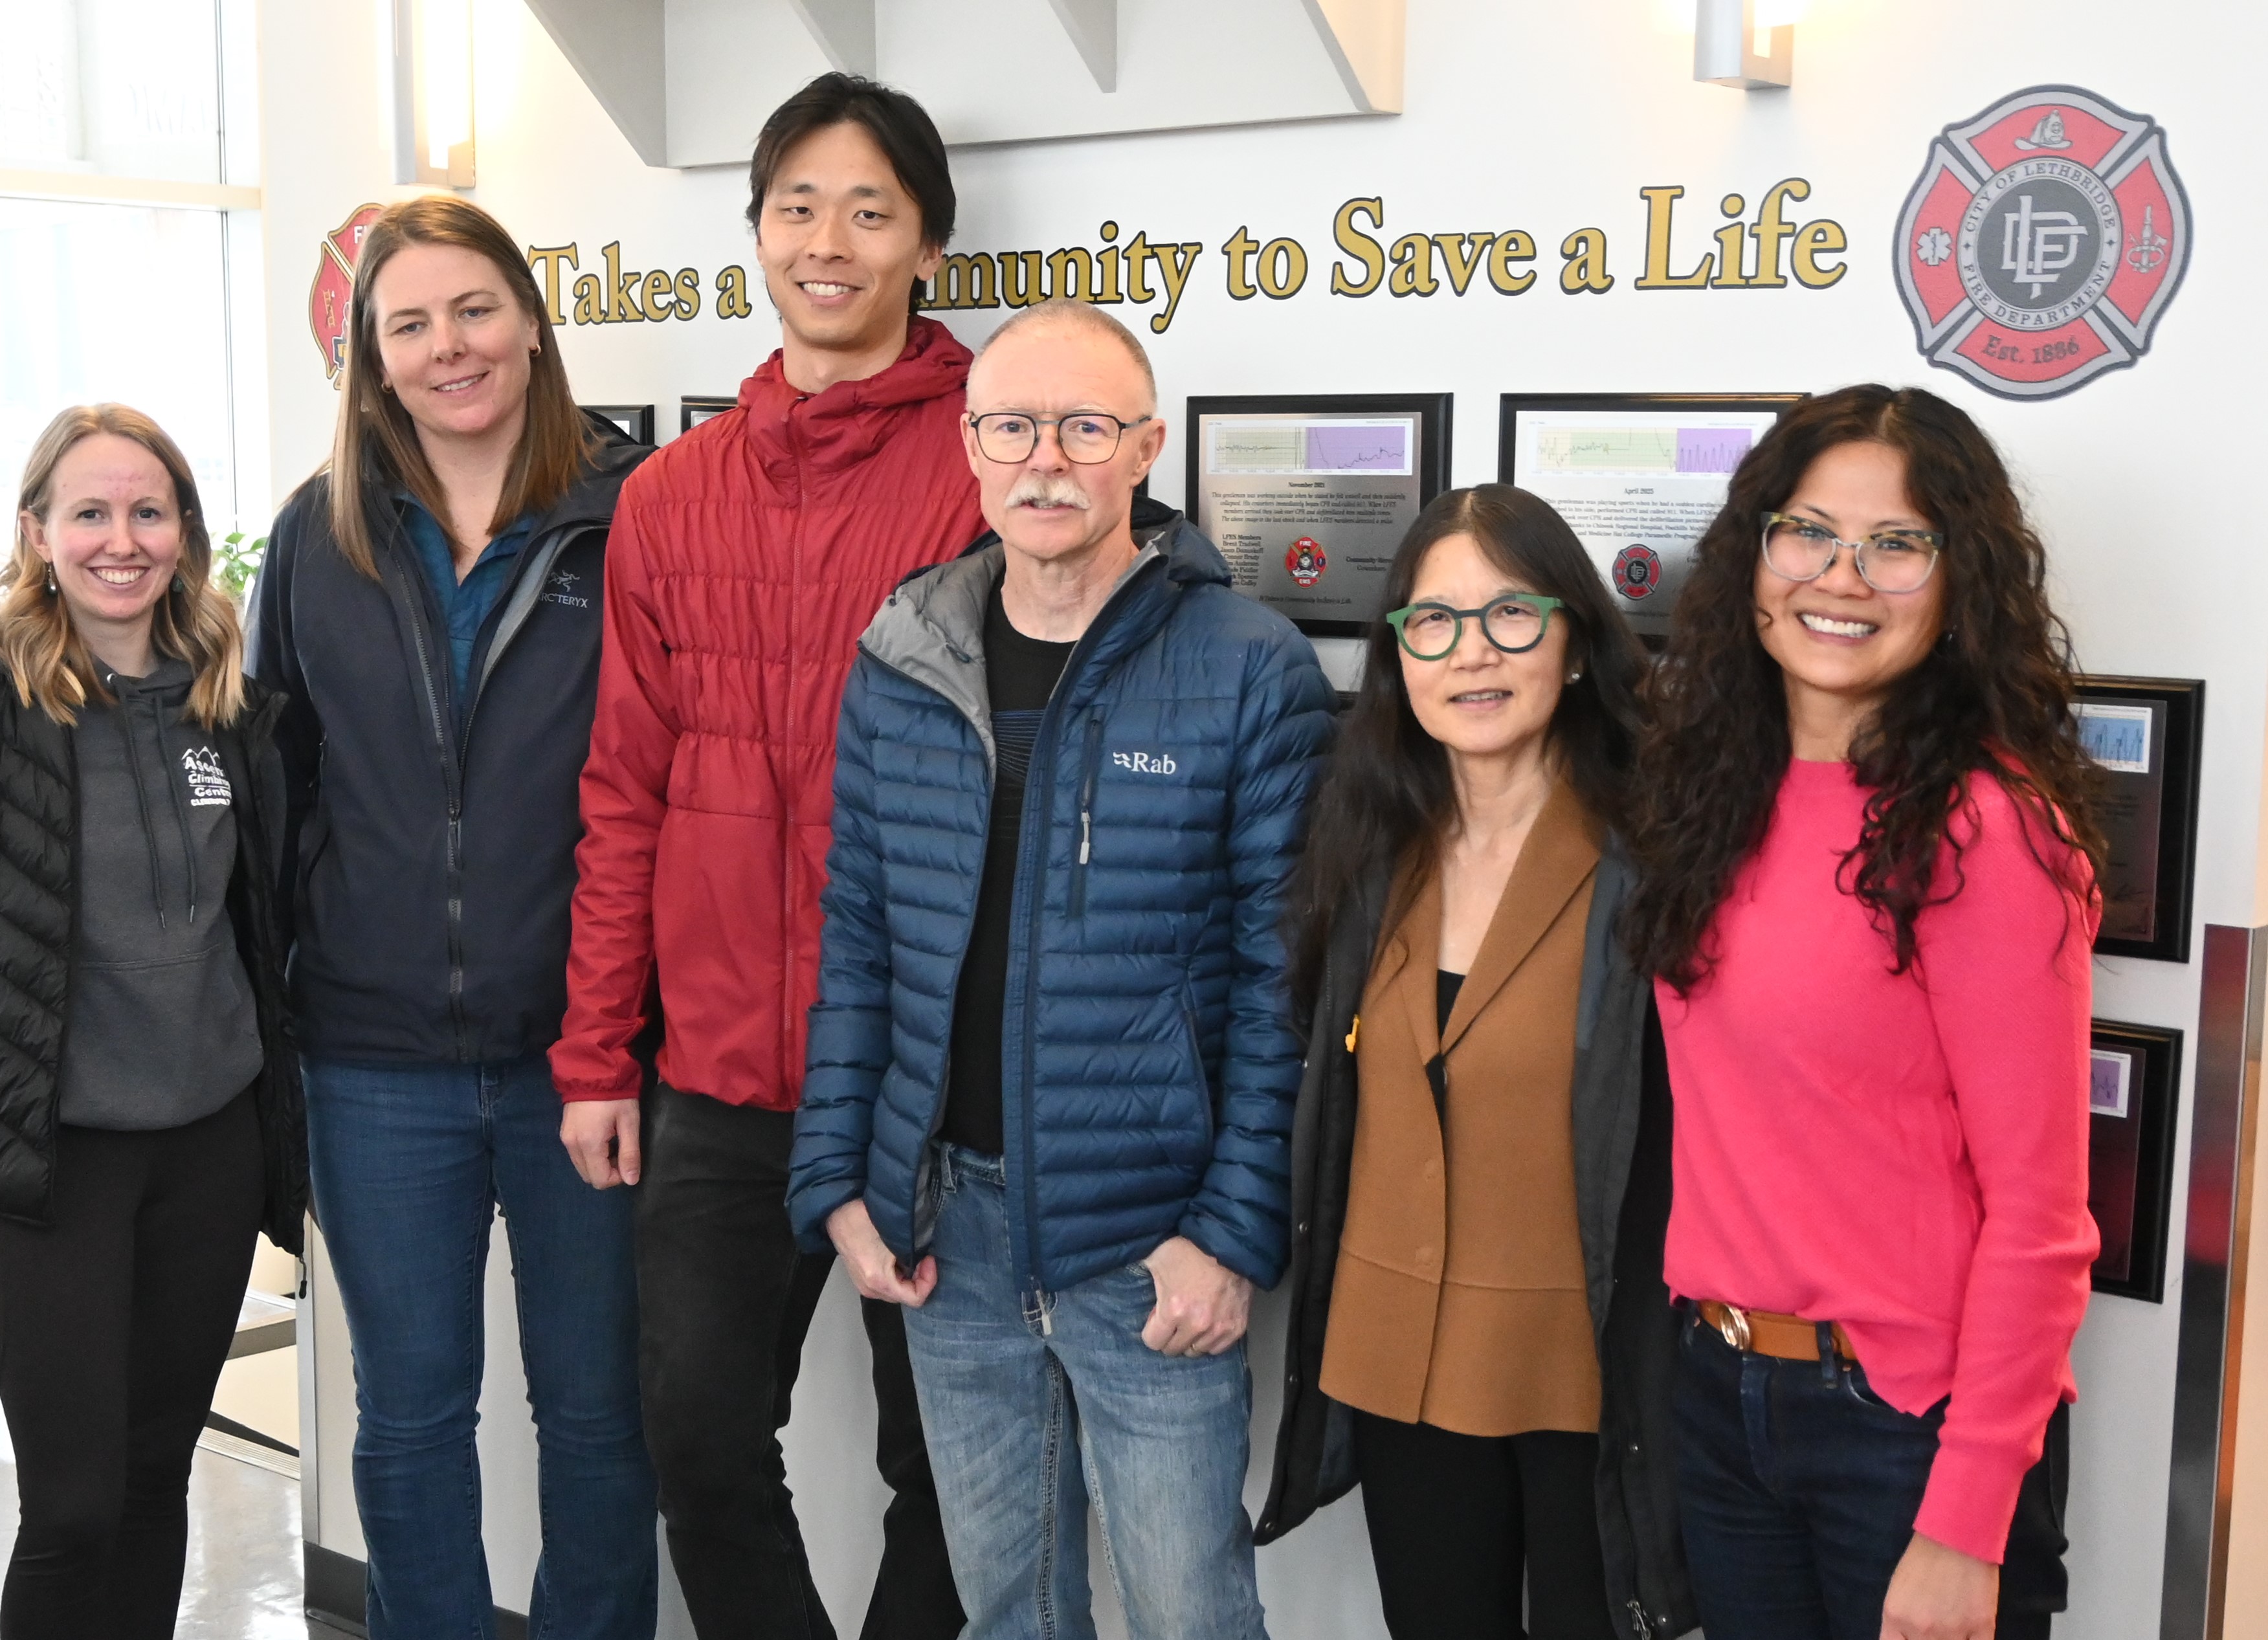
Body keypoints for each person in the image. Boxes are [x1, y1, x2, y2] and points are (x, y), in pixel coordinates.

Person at [788, 298, 1332, 1639]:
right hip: (945, 1232)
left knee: (1188, 1614)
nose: (1047, 459)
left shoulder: (1245, 667)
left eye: (1086, 427)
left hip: (1145, 1246)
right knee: (1006, 1615)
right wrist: (837, 1180)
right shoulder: (904, 650)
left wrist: (1229, 1232)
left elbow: (1286, 989)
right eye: (1014, 426)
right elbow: (858, 934)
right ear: (971, 450)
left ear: (1144, 446)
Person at [552, 72, 982, 1639]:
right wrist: (601, 1049)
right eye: (798, 204)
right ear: (754, 232)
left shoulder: (988, 466)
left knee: (949, 1462)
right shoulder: (668, 497)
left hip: (925, 1080)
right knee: (700, 1441)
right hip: (718, 1072)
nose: (829, 239)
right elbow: (623, 790)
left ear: (927, 245)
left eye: (870, 209)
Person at [1623, 385, 2100, 1640]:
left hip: (1901, 1428)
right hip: (1719, 1392)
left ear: (1958, 580)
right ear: (1754, 552)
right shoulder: (1714, 791)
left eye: (1898, 542)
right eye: (1808, 531)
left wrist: (1962, 1523)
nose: (1844, 575)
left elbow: (2041, 1223)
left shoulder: (1983, 831)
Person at [247, 196, 658, 1640]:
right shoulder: (318, 535)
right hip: (371, 1058)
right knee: (411, 1419)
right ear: (370, 356)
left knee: (600, 1415)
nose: (446, 347)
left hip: (586, 1057)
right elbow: (273, 785)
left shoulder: (635, 515)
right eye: (406, 324)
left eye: (471, 309)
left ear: (532, 321)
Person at [0, 404, 306, 1640]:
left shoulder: (229, 712)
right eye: (90, 512)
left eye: (148, 511)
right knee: (72, 1507)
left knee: (159, 1480)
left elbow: (260, 931)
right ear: (36, 533)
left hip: (207, 1154)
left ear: (186, 536)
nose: (121, 539)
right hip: (45, 1167)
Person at [1256, 485, 1695, 1639]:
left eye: (1511, 617)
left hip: (1586, 1371)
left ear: (1579, 643)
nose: (1471, 654)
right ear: (1398, 652)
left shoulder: (1656, 856)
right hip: (1398, 1355)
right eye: (1433, 623)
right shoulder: (1366, 838)